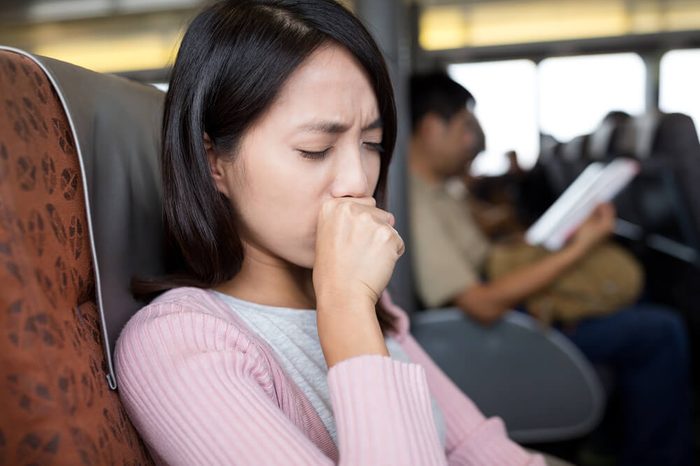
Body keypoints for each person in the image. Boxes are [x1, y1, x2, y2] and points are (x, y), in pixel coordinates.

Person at [114, 2, 553, 465]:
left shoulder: (368, 303)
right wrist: (345, 307)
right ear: (213, 162)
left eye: (371, 144)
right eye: (315, 149)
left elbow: (476, 449)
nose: (357, 183)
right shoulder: (179, 343)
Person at [408, 71, 694, 466]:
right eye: (463, 128)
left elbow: (487, 256)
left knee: (639, 300)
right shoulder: (416, 207)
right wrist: (578, 250)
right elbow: (483, 304)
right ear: (430, 127)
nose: (470, 141)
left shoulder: (439, 190)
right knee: (660, 331)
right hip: (499, 325)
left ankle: (619, 438)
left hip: (512, 301)